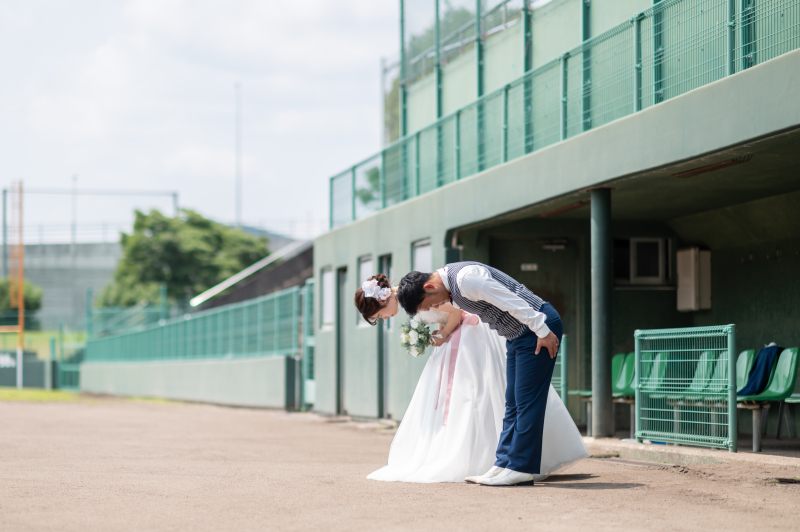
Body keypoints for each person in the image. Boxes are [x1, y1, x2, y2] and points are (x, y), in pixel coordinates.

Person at [354, 273, 587, 484]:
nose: (435, 306)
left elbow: (507, 300)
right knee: (512, 400)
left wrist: (543, 330)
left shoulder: (459, 280)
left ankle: (520, 466)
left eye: (380, 315)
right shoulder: (433, 289)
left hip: (507, 333)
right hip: (515, 333)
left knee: (520, 401)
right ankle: (504, 463)